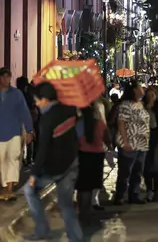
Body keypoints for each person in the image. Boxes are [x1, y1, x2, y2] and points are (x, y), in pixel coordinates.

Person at [23, 82, 83, 242]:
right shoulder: (70, 110)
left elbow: (42, 150)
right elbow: (78, 134)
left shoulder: (47, 120)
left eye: (37, 100)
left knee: (29, 190)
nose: (36, 103)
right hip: (71, 164)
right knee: (66, 206)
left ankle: (42, 230)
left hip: (55, 169)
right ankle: (76, 238)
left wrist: (33, 174)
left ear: (45, 100)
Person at [0, 67, 33, 200]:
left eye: (8, 77)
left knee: (13, 159)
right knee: (2, 160)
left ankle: (9, 187)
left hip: (14, 132)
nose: (7, 80)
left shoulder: (17, 94)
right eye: (4, 77)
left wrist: (30, 130)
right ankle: (4, 186)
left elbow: (24, 112)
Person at [114, 80, 150, 205]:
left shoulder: (141, 104)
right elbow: (121, 123)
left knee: (137, 171)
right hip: (130, 142)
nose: (143, 89)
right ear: (134, 89)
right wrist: (125, 141)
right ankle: (120, 195)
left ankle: (134, 195)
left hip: (142, 143)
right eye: (140, 87)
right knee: (125, 171)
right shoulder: (126, 105)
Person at [76, 102, 112, 224]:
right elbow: (108, 139)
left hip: (82, 155)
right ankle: (86, 213)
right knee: (90, 186)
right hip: (96, 155)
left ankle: (82, 211)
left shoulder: (79, 123)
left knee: (82, 187)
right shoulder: (99, 123)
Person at [143, 87, 158, 202]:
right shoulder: (142, 107)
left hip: (155, 136)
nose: (151, 97)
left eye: (153, 95)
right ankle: (149, 189)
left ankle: (157, 189)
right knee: (146, 164)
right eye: (149, 95)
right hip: (144, 136)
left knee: (156, 164)